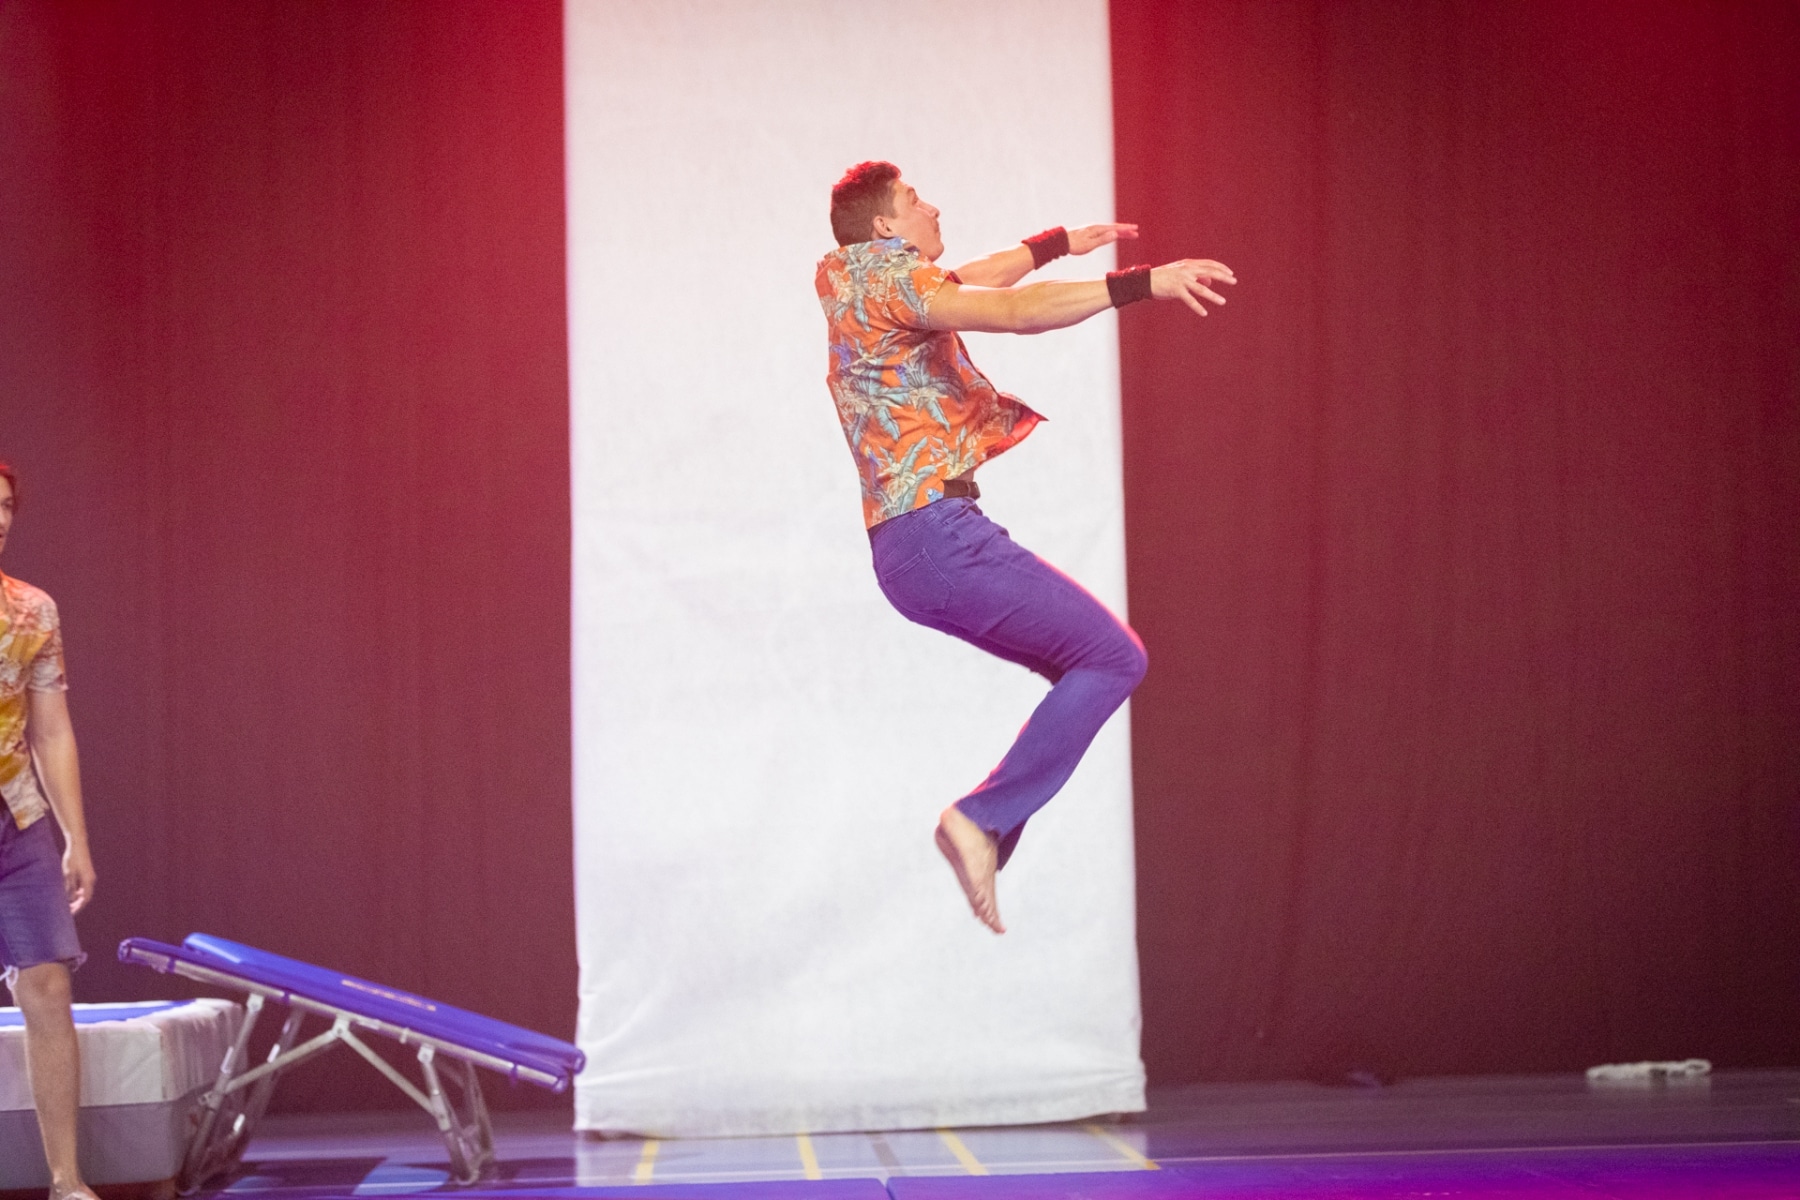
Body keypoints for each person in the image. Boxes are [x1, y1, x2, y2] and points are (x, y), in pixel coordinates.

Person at [816, 162, 1235, 934]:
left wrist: (1056, 244)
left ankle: (987, 827)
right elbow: (1011, 312)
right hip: (937, 539)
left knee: (1089, 665)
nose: (932, 206)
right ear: (884, 227)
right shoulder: (889, 282)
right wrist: (1142, 284)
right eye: (913, 199)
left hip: (914, 552)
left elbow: (974, 278)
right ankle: (980, 820)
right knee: (1112, 658)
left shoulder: (866, 284)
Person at [0, 462, 101, 1200]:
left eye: (6, 506)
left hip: (17, 814)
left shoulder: (32, 610)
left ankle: (67, 1182)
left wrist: (77, 839)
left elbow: (52, 730)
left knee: (46, 984)